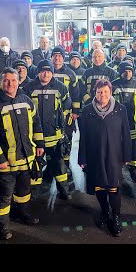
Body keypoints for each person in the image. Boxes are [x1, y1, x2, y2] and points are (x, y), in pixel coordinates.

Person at [0, 67, 44, 241]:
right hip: (7, 163)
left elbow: (36, 122)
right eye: (6, 80)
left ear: (19, 81)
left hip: (26, 159)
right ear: (1, 82)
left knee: (24, 191)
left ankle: (24, 214)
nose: (10, 84)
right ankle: (2, 226)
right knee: (4, 195)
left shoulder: (26, 100)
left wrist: (39, 144)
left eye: (13, 80)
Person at [78, 79, 131, 237]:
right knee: (100, 187)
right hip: (95, 155)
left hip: (114, 156)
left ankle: (116, 217)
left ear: (111, 92)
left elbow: (126, 133)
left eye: (106, 92)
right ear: (95, 93)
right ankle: (104, 211)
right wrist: (82, 158)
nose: (103, 95)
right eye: (99, 92)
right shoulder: (87, 110)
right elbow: (83, 136)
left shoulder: (120, 109)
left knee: (113, 188)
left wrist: (127, 154)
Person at [23, 60, 73, 200]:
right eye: (43, 71)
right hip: (35, 136)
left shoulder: (60, 87)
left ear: (52, 73)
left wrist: (61, 120)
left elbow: (67, 102)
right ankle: (33, 193)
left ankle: (64, 190)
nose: (46, 74)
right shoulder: (28, 88)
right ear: (38, 72)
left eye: (49, 71)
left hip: (54, 135)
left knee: (58, 164)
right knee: (36, 164)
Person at [51, 45, 81, 191]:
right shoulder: (46, 71)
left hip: (67, 115)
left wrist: (75, 111)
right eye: (55, 56)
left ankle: (66, 168)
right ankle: (53, 168)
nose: (57, 58)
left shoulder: (70, 74)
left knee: (66, 141)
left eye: (60, 56)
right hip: (49, 116)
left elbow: (76, 94)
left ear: (64, 58)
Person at [112, 61, 136, 183]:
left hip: (134, 123)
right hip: (117, 125)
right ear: (120, 72)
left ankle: (134, 171)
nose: (128, 73)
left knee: (135, 149)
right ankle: (117, 172)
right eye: (125, 71)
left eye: (130, 71)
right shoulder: (113, 85)